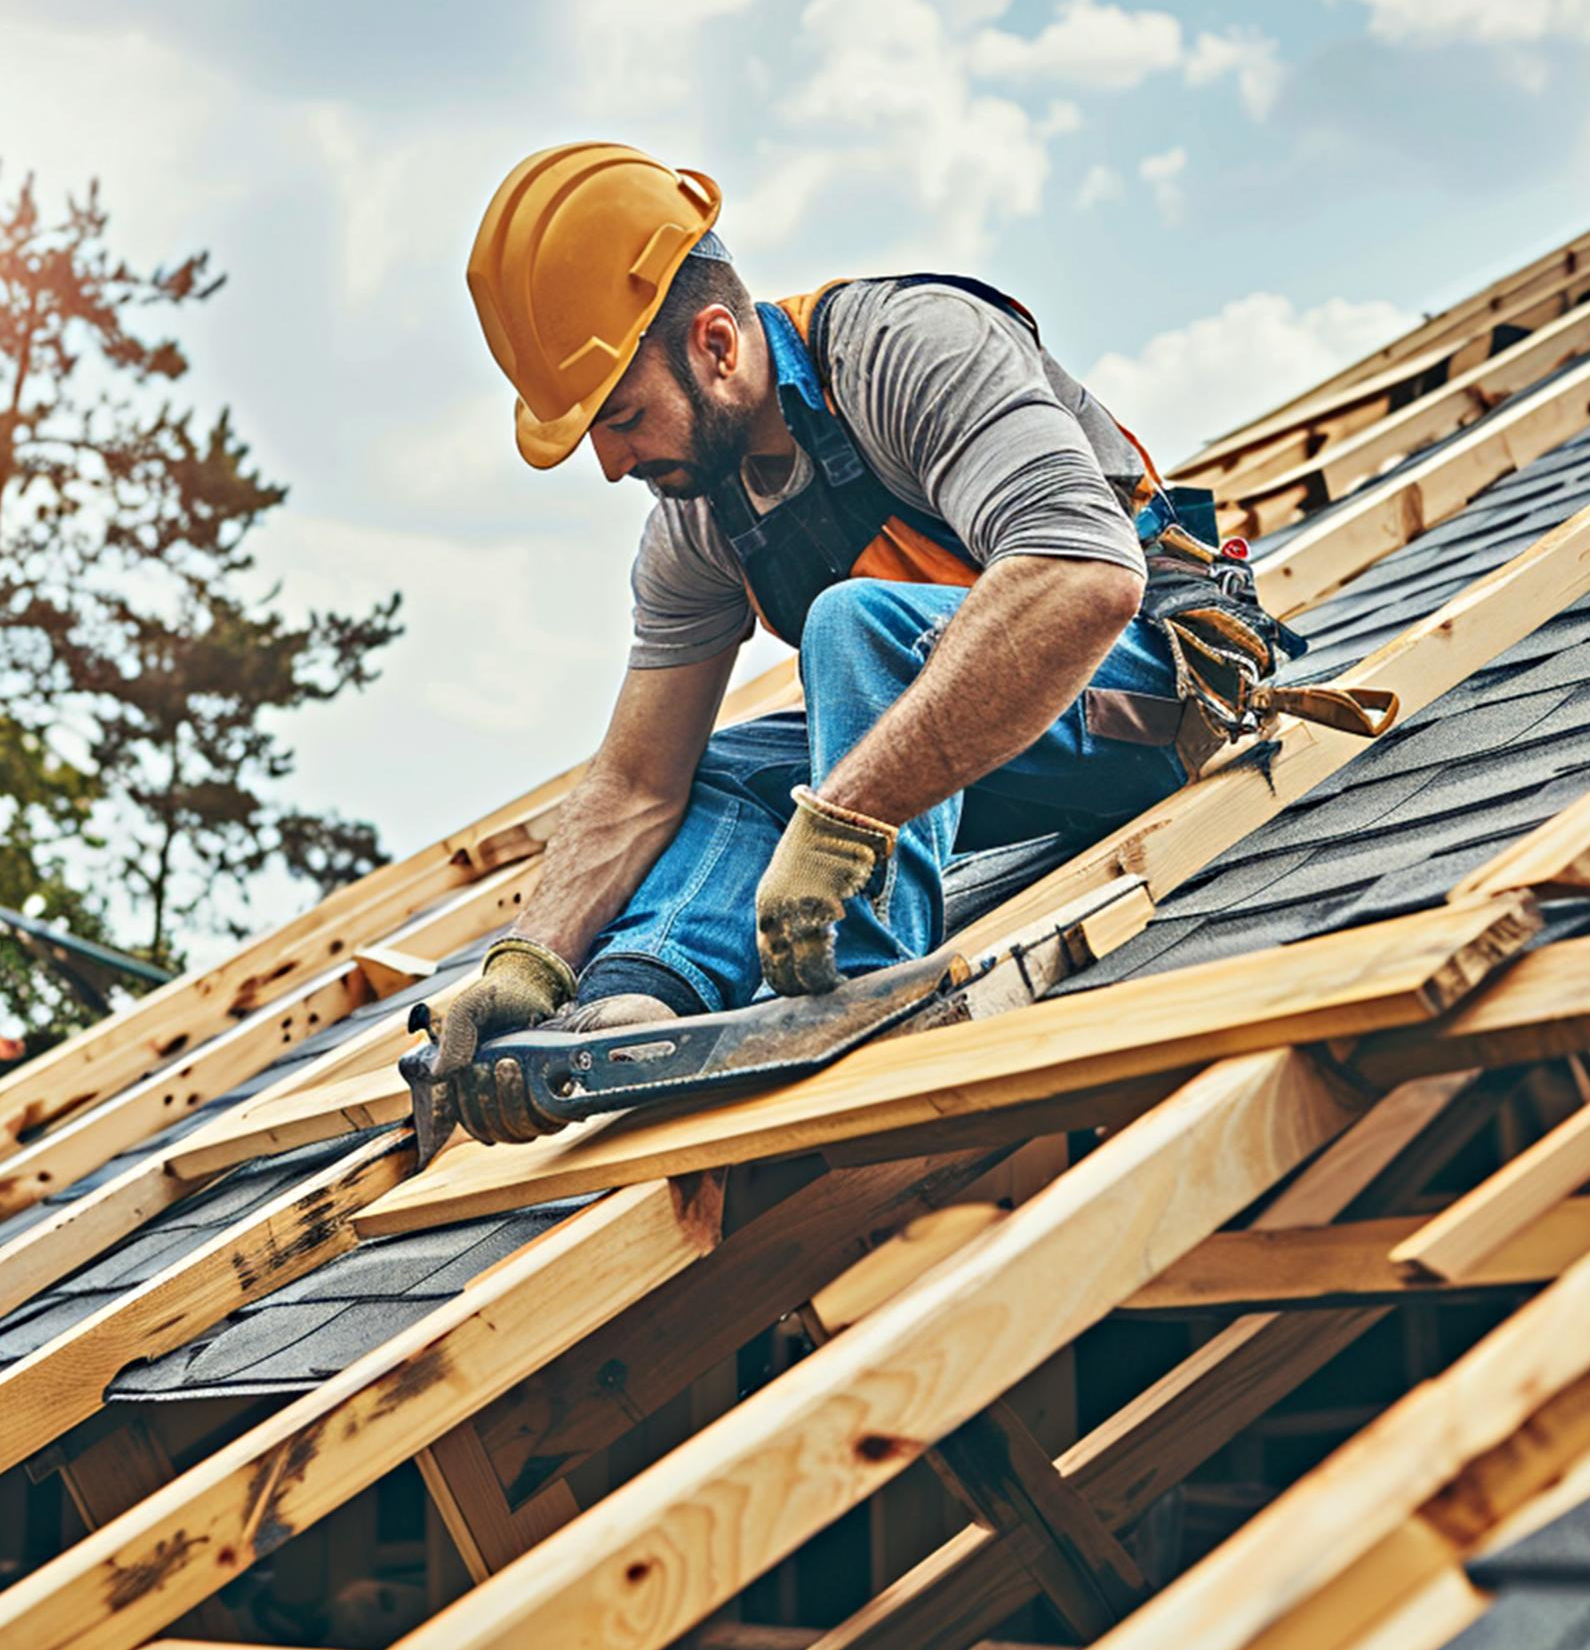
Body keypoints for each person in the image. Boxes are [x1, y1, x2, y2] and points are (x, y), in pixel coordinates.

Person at [431, 142, 1345, 1145]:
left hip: (1141, 704)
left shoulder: (906, 349)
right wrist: (528, 961)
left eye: (620, 417)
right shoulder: (695, 516)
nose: (611, 463)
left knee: (851, 622)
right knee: (720, 765)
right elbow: (637, 780)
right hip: (966, 768)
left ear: (716, 345)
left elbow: (1084, 577)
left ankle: (861, 978)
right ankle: (646, 994)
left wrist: (839, 824)